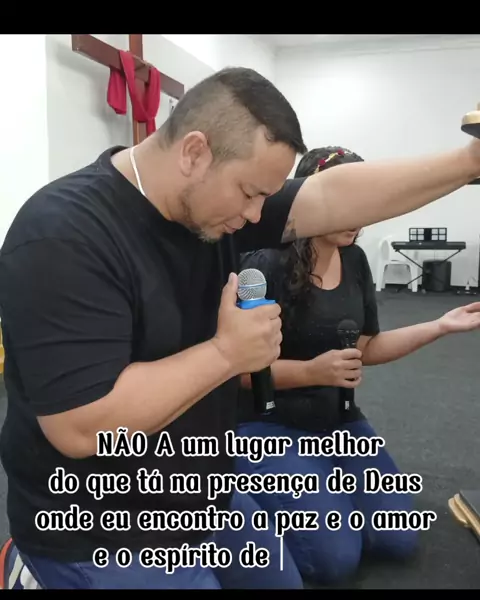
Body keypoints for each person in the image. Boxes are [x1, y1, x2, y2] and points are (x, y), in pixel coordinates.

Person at [0, 66, 479, 589]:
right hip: (96, 525)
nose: (256, 217)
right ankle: (32, 572)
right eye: (250, 193)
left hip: (204, 490)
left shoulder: (210, 206)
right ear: (194, 153)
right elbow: (82, 428)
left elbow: (330, 196)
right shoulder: (63, 235)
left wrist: (468, 162)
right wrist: (227, 353)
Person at [235, 146, 480, 586]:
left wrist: (440, 325)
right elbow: (236, 373)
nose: (359, 215)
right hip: (269, 426)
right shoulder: (264, 263)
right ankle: (252, 495)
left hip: (339, 422)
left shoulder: (354, 260)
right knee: (335, 560)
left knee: (397, 539)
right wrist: (310, 372)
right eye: (350, 200)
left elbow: (367, 347)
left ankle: (320, 489)